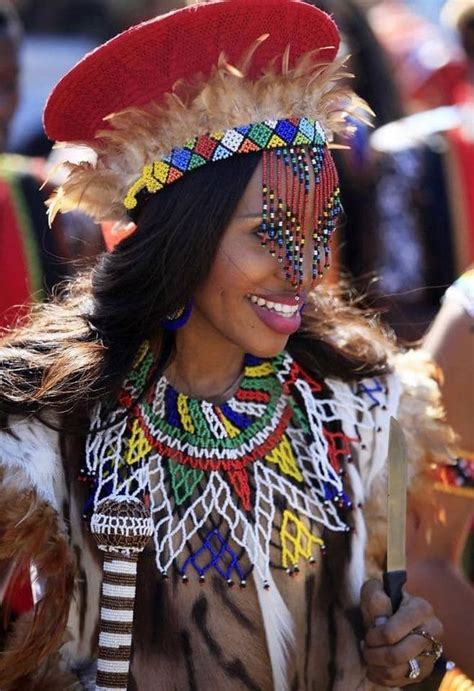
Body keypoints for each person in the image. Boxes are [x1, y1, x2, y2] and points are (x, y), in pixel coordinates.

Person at [0, 1, 447, 689]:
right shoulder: (43, 425)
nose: (302, 270)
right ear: (185, 237)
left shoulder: (358, 402)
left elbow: (392, 646)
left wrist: (407, 660)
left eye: (317, 228)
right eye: (268, 235)